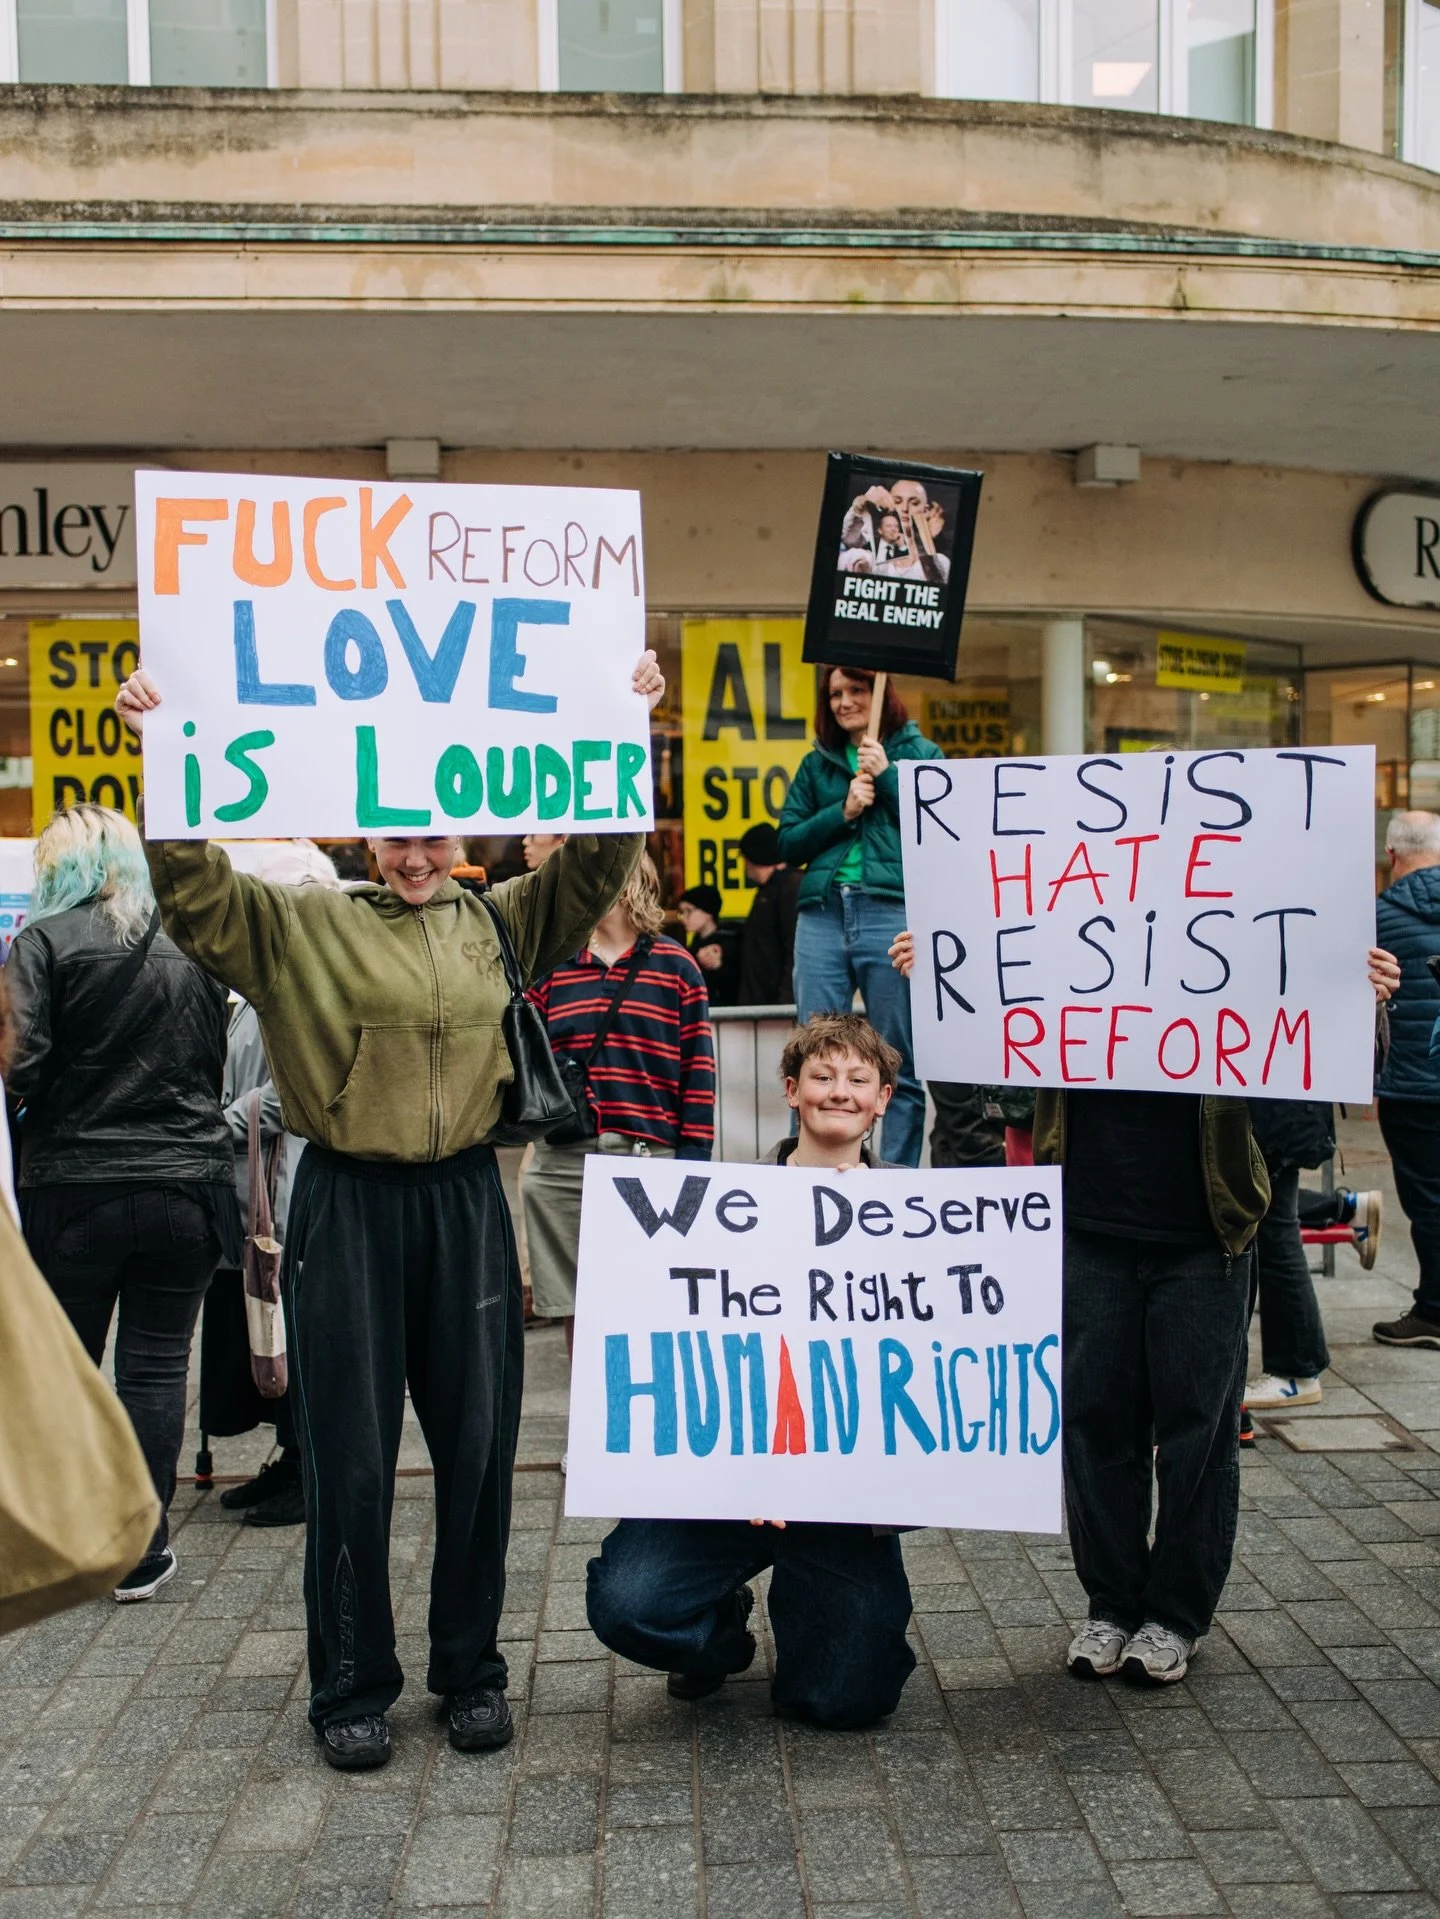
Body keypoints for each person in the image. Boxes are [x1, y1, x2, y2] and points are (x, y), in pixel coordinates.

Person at [116, 651, 662, 1772]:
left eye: (434, 839)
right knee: (351, 1460)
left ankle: (473, 1669)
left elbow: (597, 861)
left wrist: (628, 725)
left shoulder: (500, 917)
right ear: (367, 838)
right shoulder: (303, 925)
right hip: (347, 1206)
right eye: (398, 838)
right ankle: (351, 1684)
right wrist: (163, 753)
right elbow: (197, 896)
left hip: (465, 1203)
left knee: (478, 1451)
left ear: (459, 839)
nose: (417, 857)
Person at [889, 928, 1392, 1684]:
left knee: (1198, 1434)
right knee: (1095, 1423)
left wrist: (1360, 1000)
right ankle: (1113, 1603)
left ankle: (1175, 1615)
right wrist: (943, 971)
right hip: (1090, 1220)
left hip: (1203, 1229)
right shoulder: (1065, 932)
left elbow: (1321, 1066)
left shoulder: (1235, 936)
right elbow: (985, 1050)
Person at [586, 1013, 916, 1729]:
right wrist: (746, 1466)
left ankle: (816, 1622)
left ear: (883, 1099)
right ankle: (719, 1630)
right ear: (792, 1090)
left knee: (848, 1698)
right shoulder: (718, 1204)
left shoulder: (919, 1213)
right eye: (822, 1076)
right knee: (628, 1605)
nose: (839, 1091)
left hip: (842, 1495)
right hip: (723, 1482)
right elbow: (671, 1332)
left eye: (858, 1079)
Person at [4, 803, 239, 1604]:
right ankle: (143, 1547)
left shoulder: (42, 942)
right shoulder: (191, 942)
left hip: (73, 1189)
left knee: (67, 1366)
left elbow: (20, 1066)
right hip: (187, 1186)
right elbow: (212, 1062)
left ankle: (70, 1538)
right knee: (157, 1368)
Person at [524, 852, 715, 1367]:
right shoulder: (551, 967)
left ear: (627, 883)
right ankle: (588, 1417)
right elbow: (526, 1062)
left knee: (654, 1302)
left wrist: (694, 1166)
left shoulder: (677, 967)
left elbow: (698, 1071)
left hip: (650, 1159)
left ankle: (651, 1415)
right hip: (565, 1163)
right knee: (578, 1309)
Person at [201, 840, 341, 1528]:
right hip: (259, 1185)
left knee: (298, 1332)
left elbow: (297, 1092)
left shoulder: (310, 984)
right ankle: (292, 1459)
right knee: (271, 1328)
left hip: (289, 1190)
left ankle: (310, 1470)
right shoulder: (264, 978)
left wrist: (218, 1121)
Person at [778, 666, 943, 1166]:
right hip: (823, 913)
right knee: (812, 1056)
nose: (844, 701)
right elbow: (788, 843)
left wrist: (889, 776)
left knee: (898, 1059)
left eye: (856, 690)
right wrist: (843, 811)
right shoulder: (816, 763)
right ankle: (806, 1173)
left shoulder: (921, 754)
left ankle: (892, 1181)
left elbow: (942, 827)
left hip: (890, 911)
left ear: (880, 693)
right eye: (835, 694)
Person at [1373, 811, 1440, 1347]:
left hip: (1412, 1085)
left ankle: (1434, 1311)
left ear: (1391, 854)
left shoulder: (1378, 918)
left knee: (1428, 1199)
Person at [735, 822, 802, 1005]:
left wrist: (785, 1003)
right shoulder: (768, 890)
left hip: (775, 1004)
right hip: (763, 1002)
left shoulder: (789, 887)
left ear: (755, 858)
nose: (745, 865)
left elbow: (794, 948)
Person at [676, 883, 742, 1008]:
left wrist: (719, 966)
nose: (683, 918)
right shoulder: (695, 945)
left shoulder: (730, 943)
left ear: (707, 912)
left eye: (688, 911)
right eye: (682, 912)